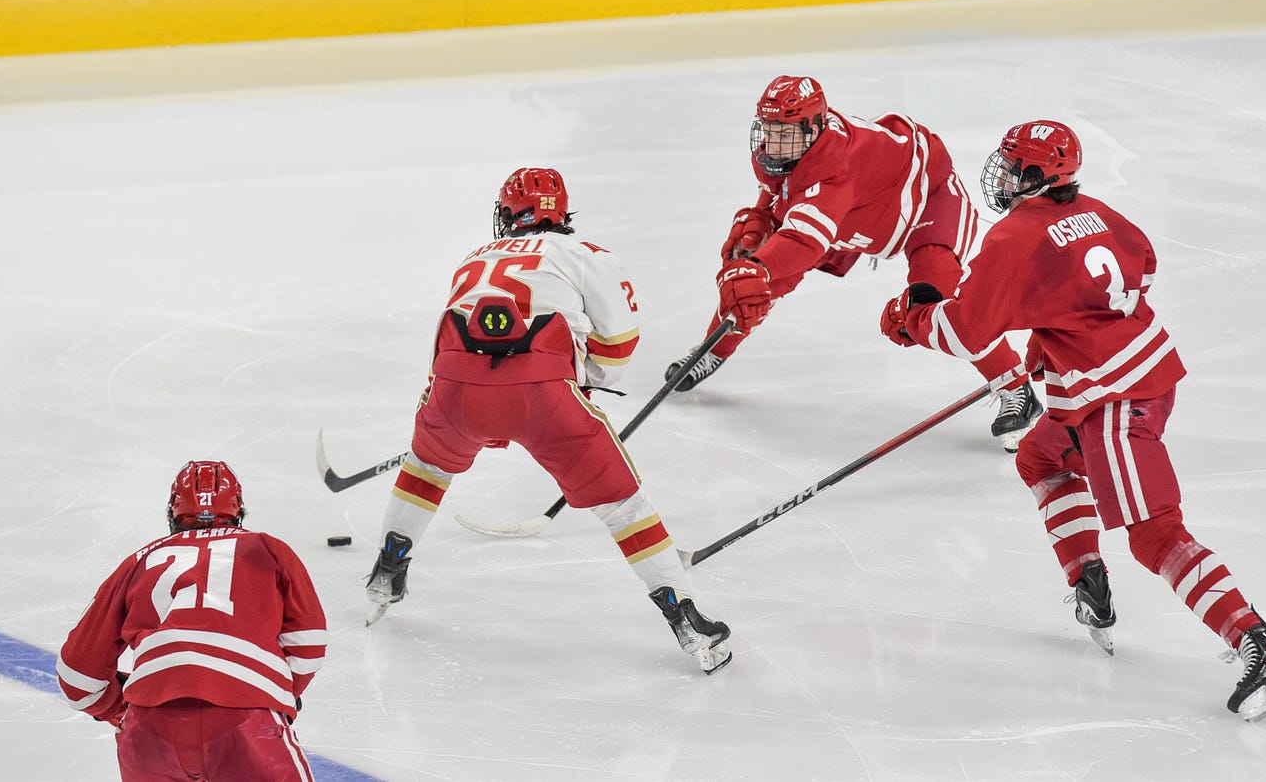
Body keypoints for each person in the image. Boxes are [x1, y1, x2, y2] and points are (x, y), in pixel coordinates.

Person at [878, 119, 1266, 722]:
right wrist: (1059, 324)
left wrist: (909, 321)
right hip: (1141, 377)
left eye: (1013, 165)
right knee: (1040, 456)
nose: (1002, 175)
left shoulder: (1013, 237)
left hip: (1115, 403)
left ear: (1037, 174)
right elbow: (1141, 268)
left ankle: (1259, 640)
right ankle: (1088, 580)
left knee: (1155, 535)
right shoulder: (1099, 211)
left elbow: (966, 329)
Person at [364, 167, 732, 674]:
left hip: (453, 392)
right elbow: (619, 341)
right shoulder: (586, 254)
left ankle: (388, 568)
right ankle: (684, 617)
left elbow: (444, 339)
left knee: (427, 469)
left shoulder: (474, 257)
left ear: (507, 214)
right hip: (542, 395)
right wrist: (587, 381)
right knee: (625, 508)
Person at [679, 75, 1040, 451]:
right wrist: (758, 230)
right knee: (758, 269)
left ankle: (1017, 388)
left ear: (814, 127)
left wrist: (757, 267)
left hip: (928, 202)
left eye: (784, 131)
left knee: (939, 298)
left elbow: (803, 241)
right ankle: (713, 350)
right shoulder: (794, 148)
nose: (773, 142)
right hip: (861, 211)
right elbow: (778, 200)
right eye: (768, 129)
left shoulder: (836, 167)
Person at [57, 461, 329, 778]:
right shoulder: (268, 549)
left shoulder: (141, 560)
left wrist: (123, 710)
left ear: (173, 514)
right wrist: (276, 693)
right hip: (248, 722)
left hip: (146, 735)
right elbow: (308, 643)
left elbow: (77, 678)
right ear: (238, 510)